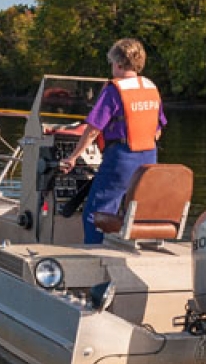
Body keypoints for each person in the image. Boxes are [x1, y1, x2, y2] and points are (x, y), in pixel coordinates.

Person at [57, 38, 166, 244]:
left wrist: (73, 157)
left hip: (121, 160)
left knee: (95, 212)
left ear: (118, 63)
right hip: (149, 160)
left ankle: (94, 256)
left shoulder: (114, 90)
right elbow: (158, 130)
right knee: (130, 211)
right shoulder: (151, 88)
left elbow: (93, 129)